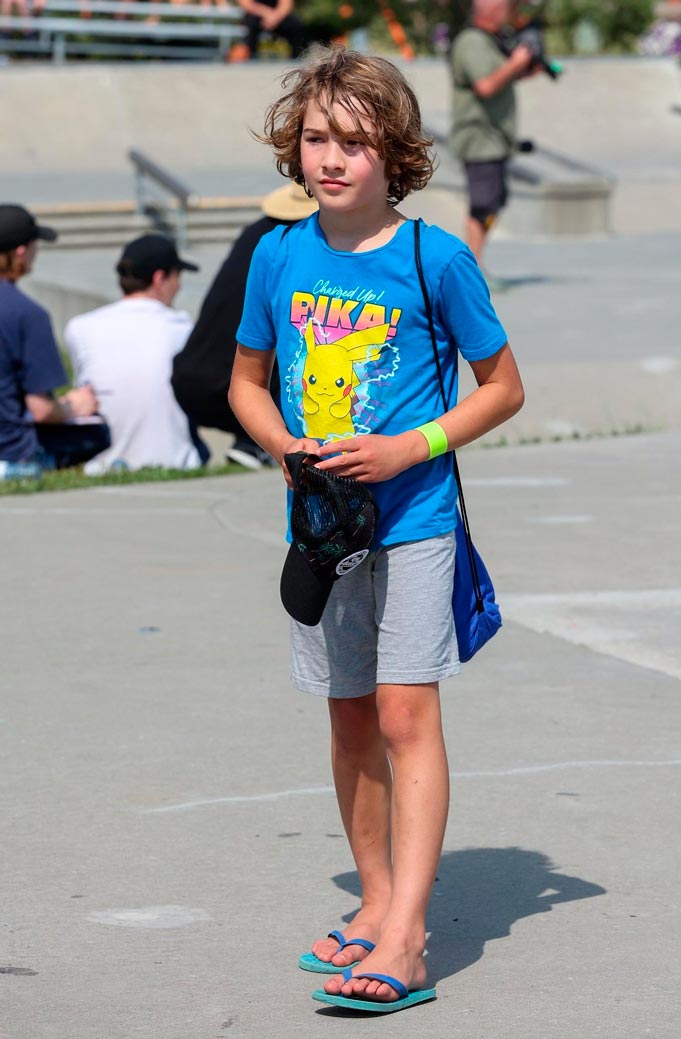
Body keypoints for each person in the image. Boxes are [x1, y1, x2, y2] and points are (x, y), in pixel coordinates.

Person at [229, 46, 524, 1012]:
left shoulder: (434, 257)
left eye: (354, 142)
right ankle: (376, 898)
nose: (332, 158)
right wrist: (284, 447)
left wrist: (410, 447)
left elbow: (503, 389)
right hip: (324, 529)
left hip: (416, 517)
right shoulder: (277, 253)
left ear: (394, 151)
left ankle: (406, 937)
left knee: (405, 712)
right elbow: (245, 383)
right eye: (317, 138)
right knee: (349, 711)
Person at [171, 181, 317, 470]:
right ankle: (253, 443)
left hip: (190, 379)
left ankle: (245, 442)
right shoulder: (299, 245)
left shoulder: (255, 235)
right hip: (239, 389)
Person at [64, 234, 205, 475]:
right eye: (177, 277)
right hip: (175, 462)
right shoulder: (182, 328)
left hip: (99, 466)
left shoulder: (79, 327)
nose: (179, 286)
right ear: (159, 278)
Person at [0, 204, 105, 479]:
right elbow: (42, 411)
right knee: (100, 434)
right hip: (12, 454)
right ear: (21, 251)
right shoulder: (26, 313)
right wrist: (72, 406)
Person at [449, 0, 544, 265]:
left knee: (492, 205)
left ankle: (475, 266)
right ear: (490, 9)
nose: (509, 12)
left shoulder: (491, 41)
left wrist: (526, 71)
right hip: (479, 138)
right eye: (505, 6)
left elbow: (497, 78)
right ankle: (472, 269)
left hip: (495, 140)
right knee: (482, 208)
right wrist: (516, 64)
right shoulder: (471, 42)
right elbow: (485, 86)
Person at [236, 0, 307, 60]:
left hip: (278, 16)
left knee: (295, 25)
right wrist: (267, 14)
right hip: (256, 14)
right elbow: (247, 4)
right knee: (251, 24)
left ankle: (297, 57)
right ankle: (249, 55)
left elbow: (286, 3)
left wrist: (275, 17)